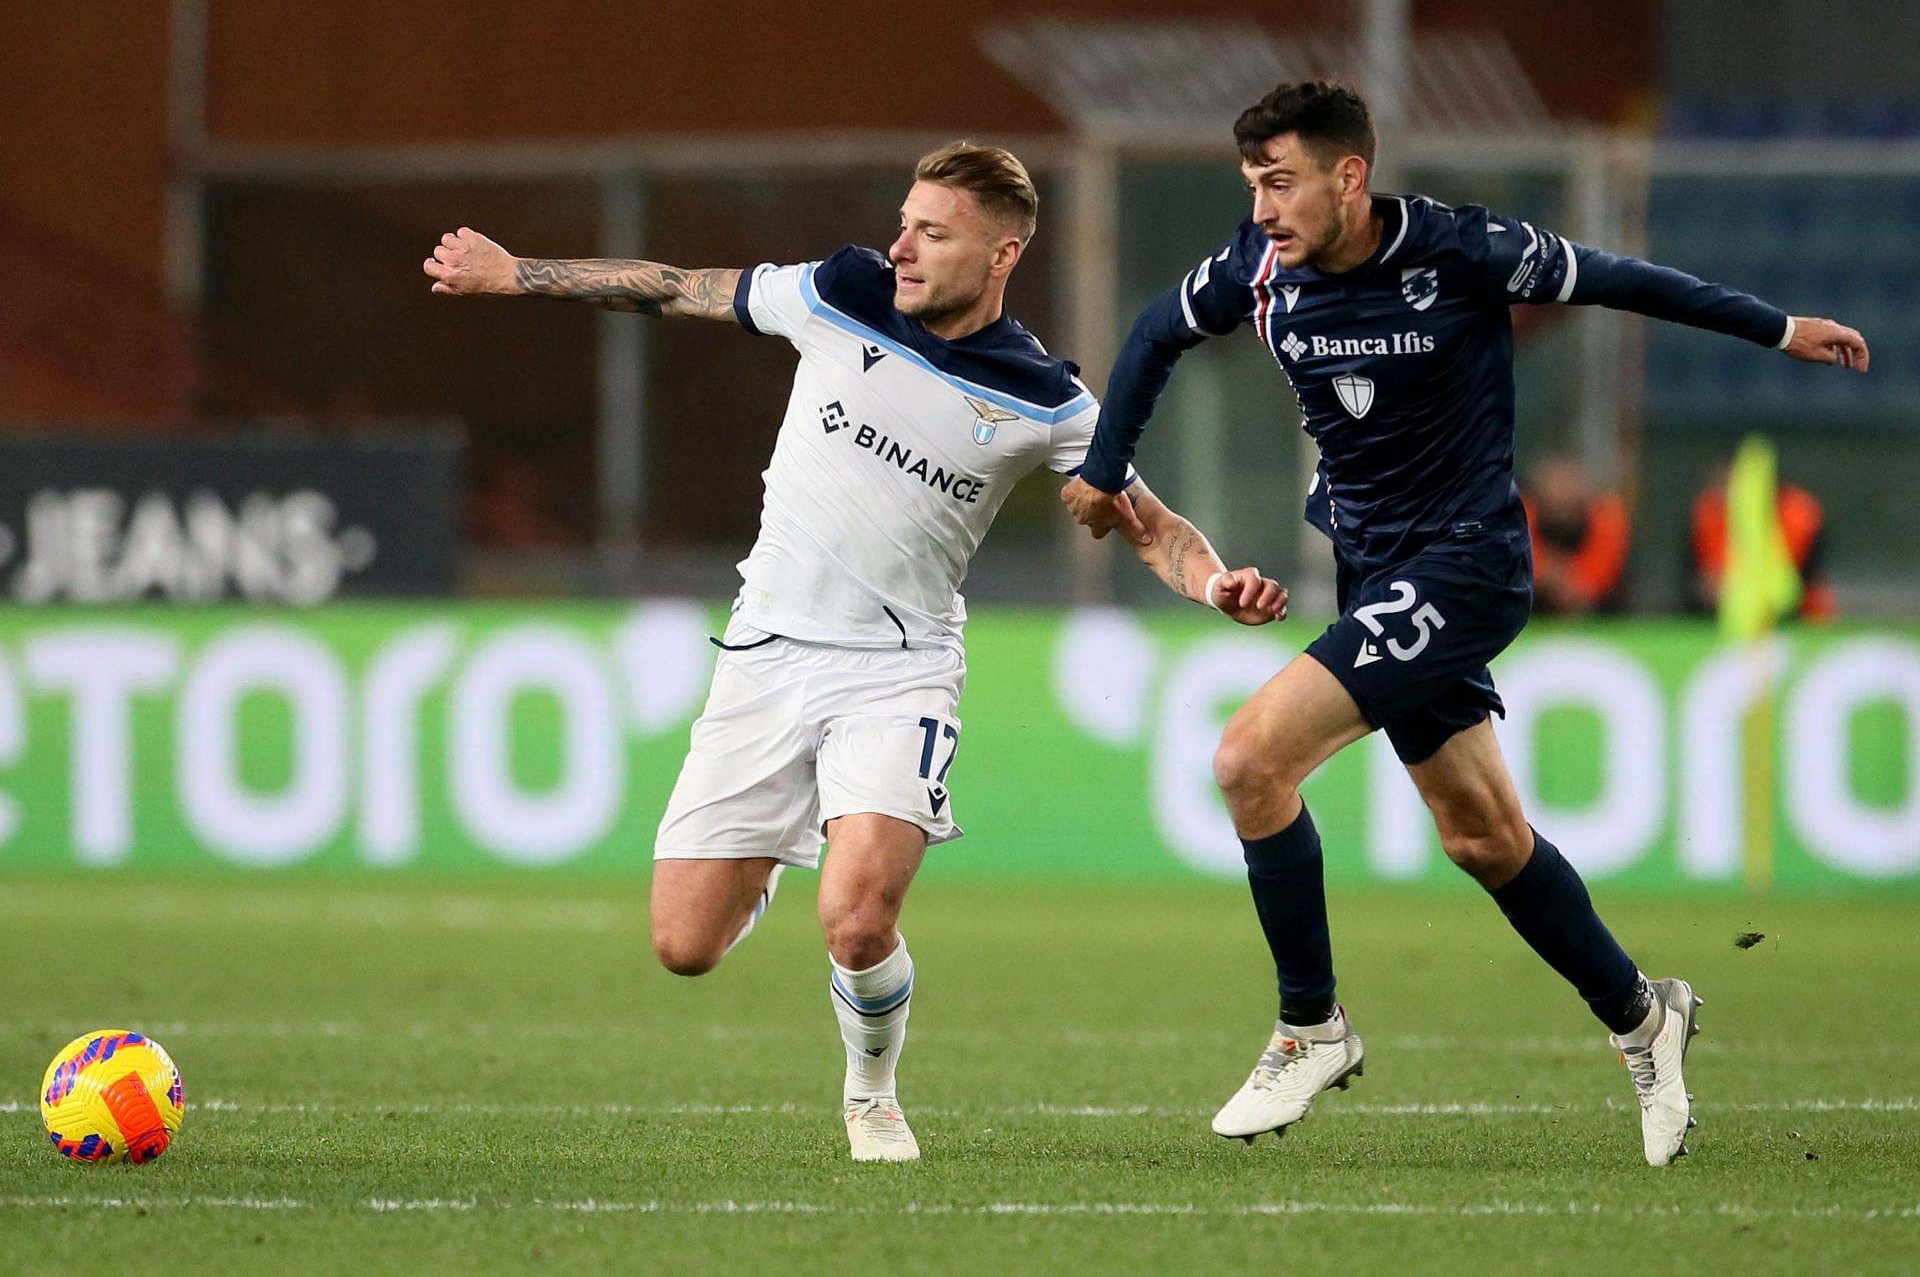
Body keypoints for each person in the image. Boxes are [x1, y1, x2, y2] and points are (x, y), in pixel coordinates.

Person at [424, 142, 1285, 1163]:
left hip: (900, 669)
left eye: (933, 231)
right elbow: (672, 289)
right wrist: (514, 271)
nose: (903, 247)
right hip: (766, 652)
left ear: (1003, 252)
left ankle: (870, 1090)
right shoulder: (838, 291)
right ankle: (778, 852)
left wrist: (1216, 578)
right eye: (905, 222)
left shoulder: (1044, 396)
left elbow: (1145, 523)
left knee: (860, 918)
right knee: (684, 945)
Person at [1062, 80, 1869, 1167]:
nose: (1261, 209)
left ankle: (1312, 1024)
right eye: (1252, 184)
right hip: (1375, 575)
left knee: (1250, 759)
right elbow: (1156, 332)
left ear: (1351, 176)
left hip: (1470, 563)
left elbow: (1625, 280)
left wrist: (1777, 328)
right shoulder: (1256, 272)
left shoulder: (1466, 250)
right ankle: (1645, 1012)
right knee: (1483, 836)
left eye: (1282, 182)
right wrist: (1105, 474)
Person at [1687, 460, 1836, 621]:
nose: (1721, 493)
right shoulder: (1708, 514)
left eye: (1729, 484)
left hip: (1796, 615)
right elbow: (1696, 578)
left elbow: (1799, 580)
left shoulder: (1798, 514)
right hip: (1723, 617)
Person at [1522, 455, 1631, 615]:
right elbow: (1519, 559)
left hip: (1605, 623)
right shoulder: (1520, 515)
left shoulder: (1607, 518)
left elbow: (1591, 582)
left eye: (1570, 505)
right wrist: (1546, 571)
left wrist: (1567, 580)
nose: (1562, 493)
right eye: (1553, 504)